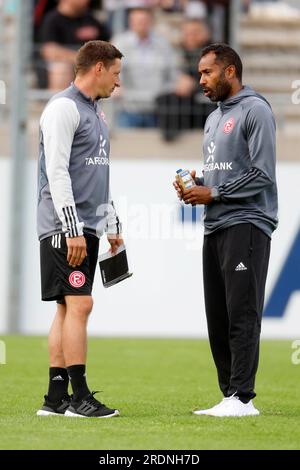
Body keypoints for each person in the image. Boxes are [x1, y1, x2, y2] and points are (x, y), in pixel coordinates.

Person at [173, 43, 278, 417]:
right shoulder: (213, 118)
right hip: (215, 224)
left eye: (207, 72)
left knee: (242, 312)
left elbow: (262, 173)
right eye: (200, 73)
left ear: (230, 71)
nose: (201, 80)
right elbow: (226, 172)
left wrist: (213, 191)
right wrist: (198, 182)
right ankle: (228, 396)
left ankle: (243, 397)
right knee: (218, 315)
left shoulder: (256, 110)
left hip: (247, 223)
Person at [36, 40, 124, 418]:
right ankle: (80, 397)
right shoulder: (63, 108)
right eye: (117, 74)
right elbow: (56, 173)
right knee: (80, 304)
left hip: (84, 225)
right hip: (65, 227)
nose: (119, 83)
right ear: (99, 68)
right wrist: (72, 229)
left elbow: (95, 176)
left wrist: (111, 222)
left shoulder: (96, 113)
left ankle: (55, 399)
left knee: (65, 309)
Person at [112, 7, 179, 128]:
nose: (141, 24)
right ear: (130, 22)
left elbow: (173, 73)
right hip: (127, 109)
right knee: (126, 146)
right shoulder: (120, 43)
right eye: (137, 21)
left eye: (144, 20)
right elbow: (113, 73)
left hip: (155, 109)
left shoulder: (163, 44)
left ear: (151, 22)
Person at [39, 0, 110, 90]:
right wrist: (83, 59)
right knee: (61, 69)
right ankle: (62, 103)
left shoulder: (91, 19)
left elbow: (109, 43)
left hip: (92, 68)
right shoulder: (52, 19)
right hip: (69, 69)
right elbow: (49, 51)